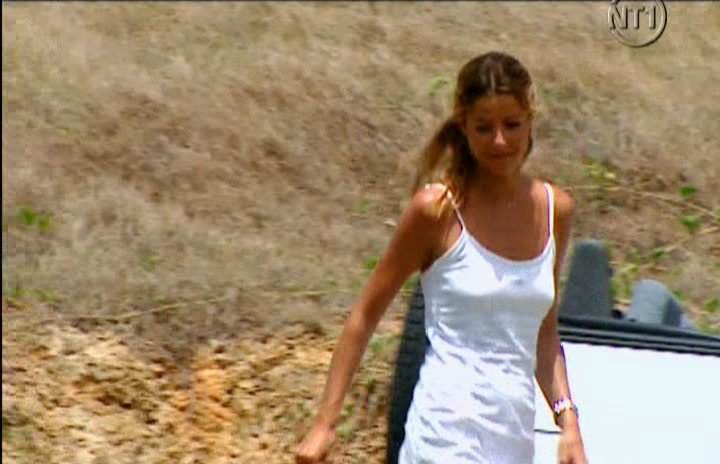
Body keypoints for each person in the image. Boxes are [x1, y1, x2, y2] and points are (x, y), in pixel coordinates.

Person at [295, 51, 588, 464]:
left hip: (512, 443)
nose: (500, 141)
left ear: (530, 120)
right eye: (484, 127)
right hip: (444, 435)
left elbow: (543, 332)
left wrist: (568, 420)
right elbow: (364, 316)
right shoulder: (437, 211)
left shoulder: (556, 210)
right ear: (463, 126)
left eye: (512, 124)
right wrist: (325, 424)